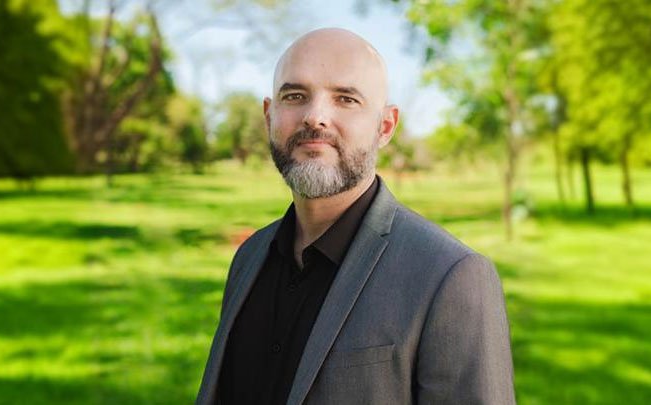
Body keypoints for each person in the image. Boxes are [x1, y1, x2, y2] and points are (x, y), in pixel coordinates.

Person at [196, 28, 515, 405]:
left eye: (346, 99)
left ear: (385, 127)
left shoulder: (451, 276)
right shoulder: (249, 257)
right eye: (295, 96)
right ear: (269, 116)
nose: (315, 118)